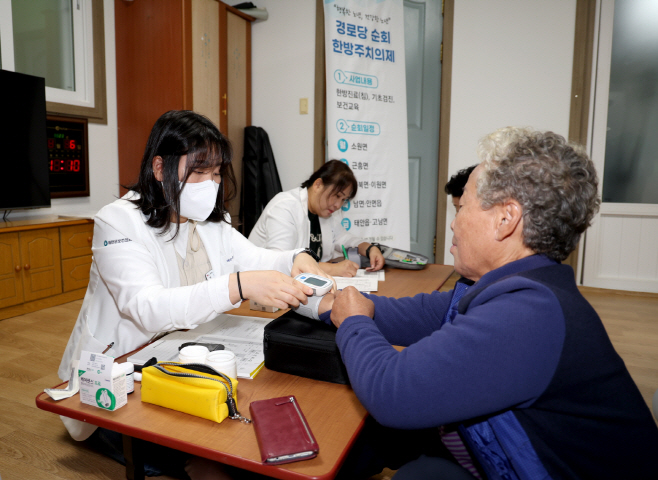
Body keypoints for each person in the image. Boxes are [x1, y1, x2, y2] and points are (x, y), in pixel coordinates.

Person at [312, 127, 658, 479]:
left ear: (505, 219)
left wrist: (354, 322)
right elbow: (416, 314)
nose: (453, 223)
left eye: (462, 207)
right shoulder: (516, 288)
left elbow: (391, 392)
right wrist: (326, 303)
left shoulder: (527, 316)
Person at [56, 110, 328, 477]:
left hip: (179, 357)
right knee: (210, 453)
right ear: (159, 167)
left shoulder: (212, 223)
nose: (210, 183)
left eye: (216, 174)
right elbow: (146, 307)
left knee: (234, 428)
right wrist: (238, 285)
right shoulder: (117, 221)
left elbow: (255, 257)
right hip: (118, 373)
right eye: (198, 172)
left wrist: (295, 259)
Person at [248, 159, 385, 277]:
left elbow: (344, 238)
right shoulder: (285, 207)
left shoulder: (324, 212)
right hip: (259, 292)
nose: (338, 205)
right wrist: (333, 269)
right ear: (318, 185)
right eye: (337, 196)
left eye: (344, 199)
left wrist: (369, 248)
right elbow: (281, 262)